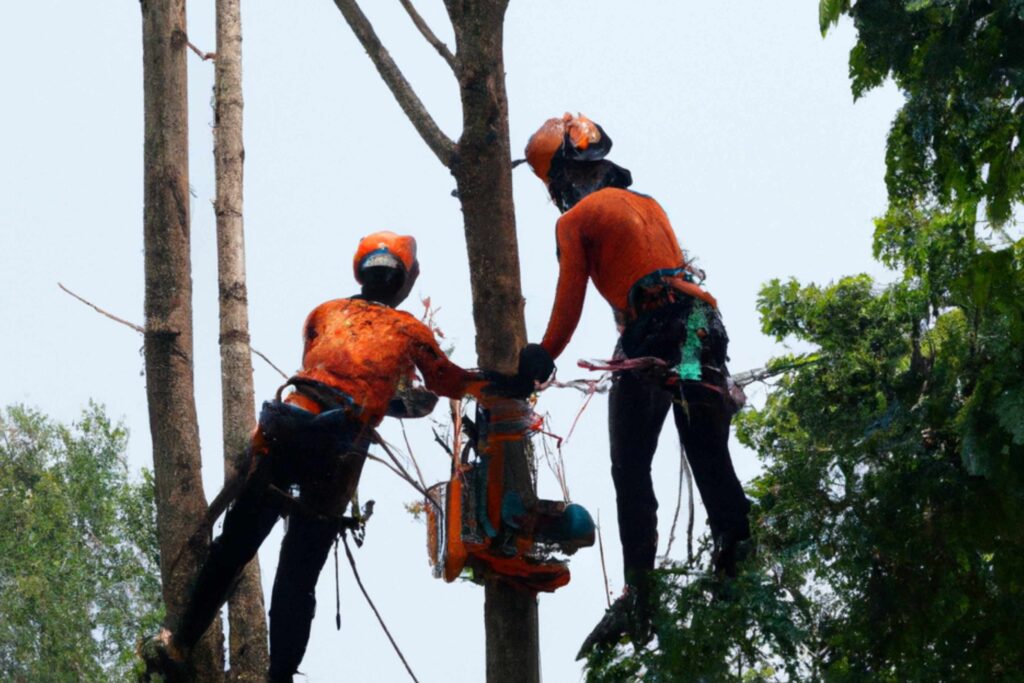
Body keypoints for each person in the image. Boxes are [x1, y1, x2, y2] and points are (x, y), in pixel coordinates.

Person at [141, 231, 550, 682]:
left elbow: (329, 377)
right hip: (336, 448)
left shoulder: (324, 313)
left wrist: (388, 403)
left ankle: (178, 641)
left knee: (233, 547)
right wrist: (513, 383)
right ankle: (279, 678)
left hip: (285, 427)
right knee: (297, 574)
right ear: (405, 281)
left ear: (363, 271)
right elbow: (450, 383)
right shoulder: (407, 329)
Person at [523, 114, 752, 651]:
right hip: (701, 332)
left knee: (629, 466)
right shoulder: (649, 204)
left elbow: (569, 302)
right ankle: (736, 557)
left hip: (654, 336)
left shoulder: (575, 219)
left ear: (562, 177)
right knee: (707, 452)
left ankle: (640, 596)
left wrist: (541, 357)